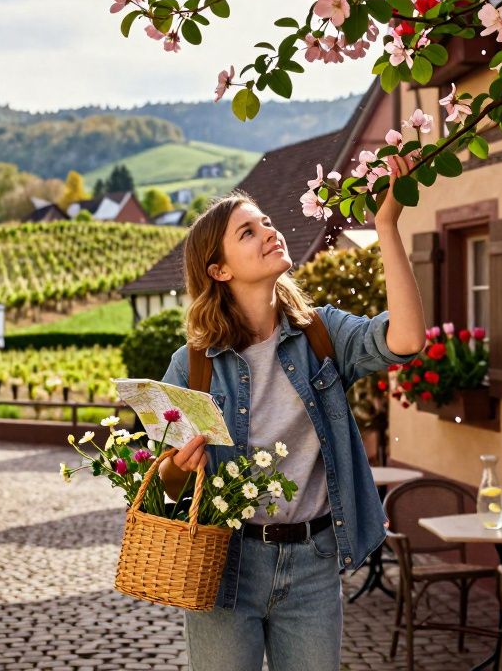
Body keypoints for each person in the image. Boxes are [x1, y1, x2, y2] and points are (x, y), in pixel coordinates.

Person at [158, 156, 426, 670]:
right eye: (248, 232)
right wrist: (179, 464)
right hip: (225, 565)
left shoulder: (322, 334)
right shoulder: (193, 365)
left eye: (266, 223)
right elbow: (166, 484)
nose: (269, 232)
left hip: (312, 564)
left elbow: (407, 339)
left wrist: (387, 225)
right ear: (219, 270)